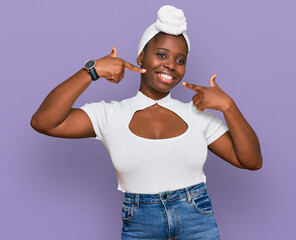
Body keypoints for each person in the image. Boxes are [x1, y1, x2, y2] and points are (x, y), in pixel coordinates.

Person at [31, 5, 262, 240]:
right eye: (161, 55)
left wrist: (229, 107)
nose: (171, 65)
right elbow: (44, 122)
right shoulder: (110, 115)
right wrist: (92, 71)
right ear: (141, 56)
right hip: (141, 226)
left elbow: (251, 161)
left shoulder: (198, 116)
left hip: (197, 222)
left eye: (179, 60)